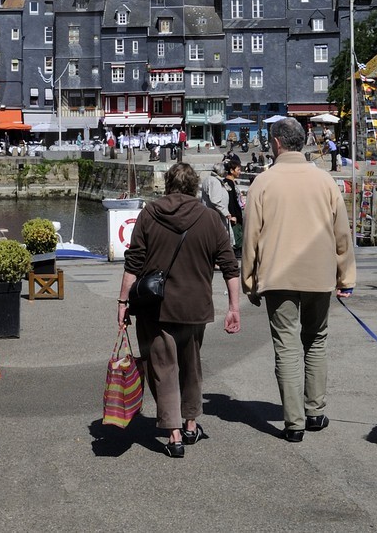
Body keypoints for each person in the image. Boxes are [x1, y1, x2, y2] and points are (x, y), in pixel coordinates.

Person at [242, 117, 355, 443]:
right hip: (319, 275)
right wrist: (345, 276)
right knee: (316, 339)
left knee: (287, 346)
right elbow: (342, 234)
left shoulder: (263, 183)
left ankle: (294, 423)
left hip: (278, 275)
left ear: (276, 143)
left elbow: (250, 236)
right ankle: (315, 411)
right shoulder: (325, 181)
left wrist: (249, 279)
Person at [118, 162, 241, 458]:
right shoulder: (211, 219)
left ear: (169, 185)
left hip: (155, 306)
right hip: (195, 306)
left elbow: (133, 264)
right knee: (191, 365)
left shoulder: (149, 215)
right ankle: (189, 424)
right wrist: (234, 307)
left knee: (162, 368)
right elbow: (229, 266)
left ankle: (173, 435)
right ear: (194, 187)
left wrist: (122, 303)